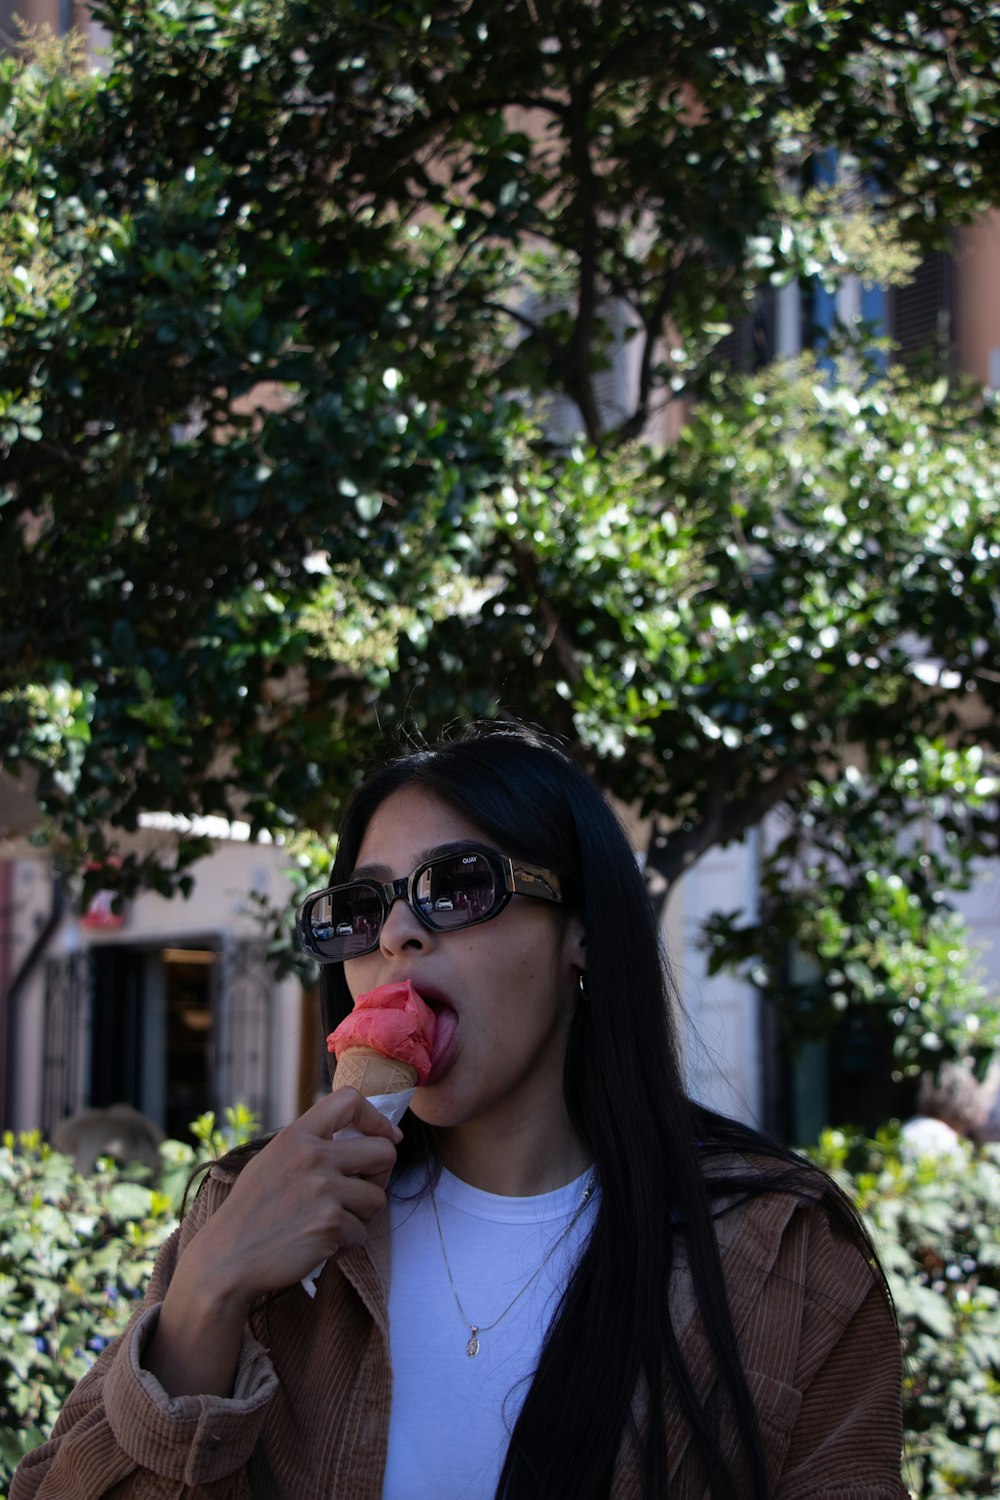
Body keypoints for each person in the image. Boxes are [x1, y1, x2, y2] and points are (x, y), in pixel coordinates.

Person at [12, 721, 908, 1500]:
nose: (398, 934)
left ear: (581, 929)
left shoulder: (781, 1256)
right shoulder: (253, 1213)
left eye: (458, 885)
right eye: (361, 908)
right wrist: (206, 1297)